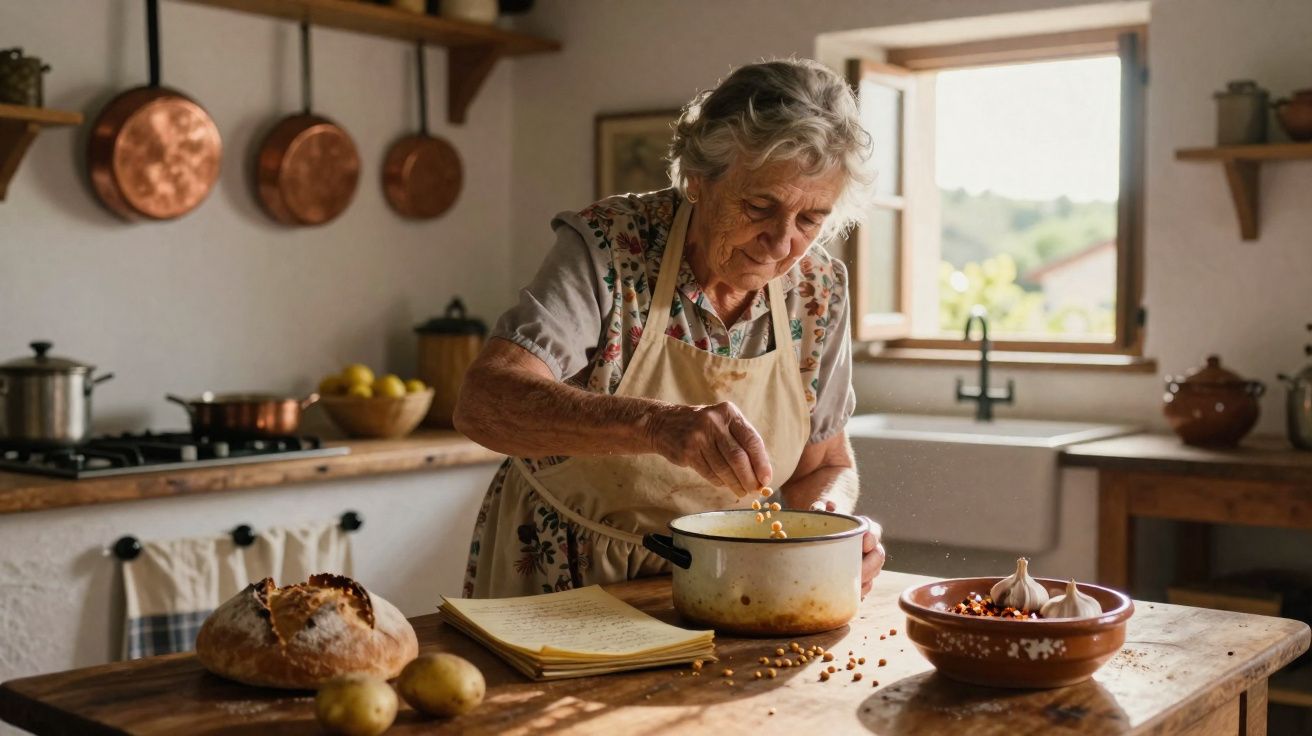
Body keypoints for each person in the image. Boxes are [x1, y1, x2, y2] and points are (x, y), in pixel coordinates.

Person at [454, 58, 885, 598]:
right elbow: (484, 403)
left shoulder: (819, 289)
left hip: (722, 581)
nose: (781, 244)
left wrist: (827, 522)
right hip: (566, 572)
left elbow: (826, 464)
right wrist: (656, 426)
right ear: (700, 179)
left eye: (809, 219)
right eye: (759, 206)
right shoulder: (611, 246)